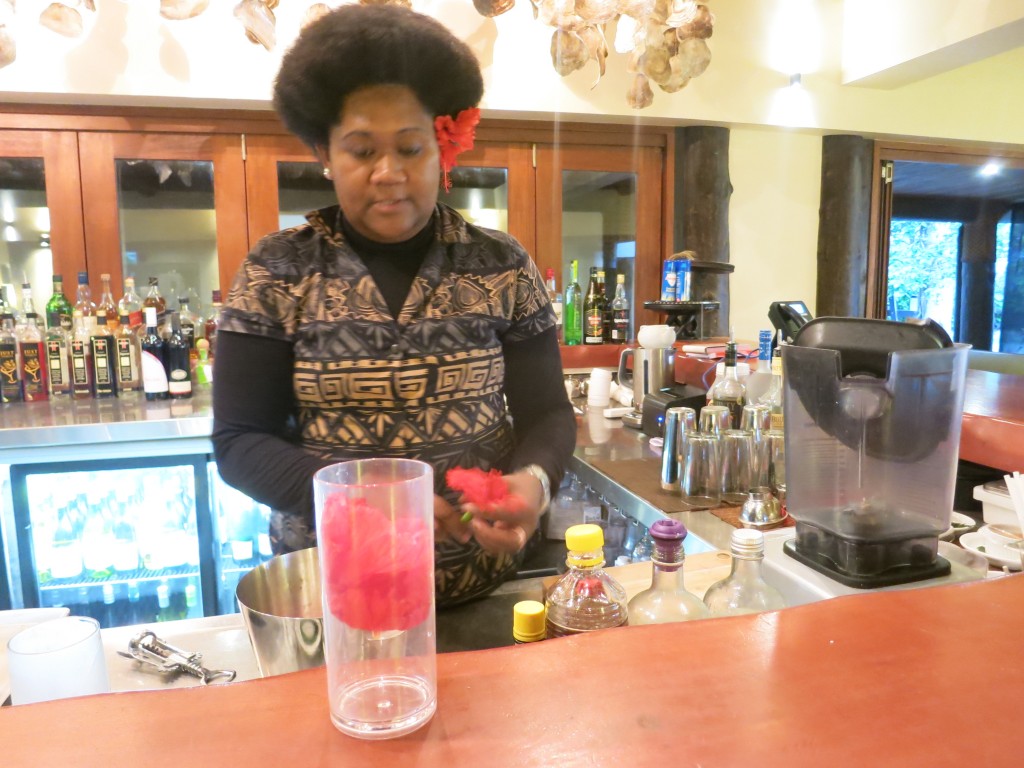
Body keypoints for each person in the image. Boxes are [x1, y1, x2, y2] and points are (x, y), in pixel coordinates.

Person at [212, 4, 576, 607]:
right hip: (337, 596)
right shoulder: (277, 270)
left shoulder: (502, 264)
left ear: (443, 150)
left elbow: (548, 415)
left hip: (485, 589)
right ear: (325, 154)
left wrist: (533, 484)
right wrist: (360, 501)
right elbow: (239, 440)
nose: (387, 173)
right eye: (360, 151)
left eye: (410, 148)